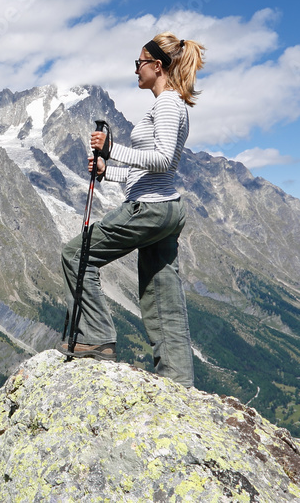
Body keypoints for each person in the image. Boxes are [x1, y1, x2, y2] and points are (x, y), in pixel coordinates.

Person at [58, 32, 205, 388]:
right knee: (160, 291)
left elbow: (164, 159)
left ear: (157, 66)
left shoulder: (168, 104)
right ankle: (177, 381)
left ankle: (95, 336)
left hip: (150, 208)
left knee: (76, 254)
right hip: (165, 208)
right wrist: (109, 171)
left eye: (139, 63)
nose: (136, 70)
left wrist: (112, 148)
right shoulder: (169, 105)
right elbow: (148, 169)